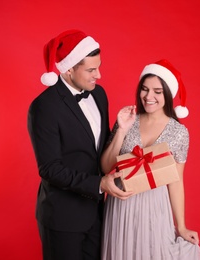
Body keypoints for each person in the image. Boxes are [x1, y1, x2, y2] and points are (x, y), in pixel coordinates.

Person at [27, 29, 132, 260]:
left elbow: (101, 152)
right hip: (62, 217)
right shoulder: (44, 107)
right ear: (69, 68)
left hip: (98, 213)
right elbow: (49, 168)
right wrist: (99, 184)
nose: (99, 75)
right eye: (91, 70)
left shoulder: (99, 95)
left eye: (99, 67)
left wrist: (122, 131)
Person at [101, 59, 200, 259]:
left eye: (157, 91)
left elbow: (176, 180)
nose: (149, 97)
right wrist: (121, 130)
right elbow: (105, 167)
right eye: (145, 89)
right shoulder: (128, 119)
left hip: (156, 206)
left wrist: (181, 226)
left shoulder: (179, 132)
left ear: (167, 93)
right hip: (122, 202)